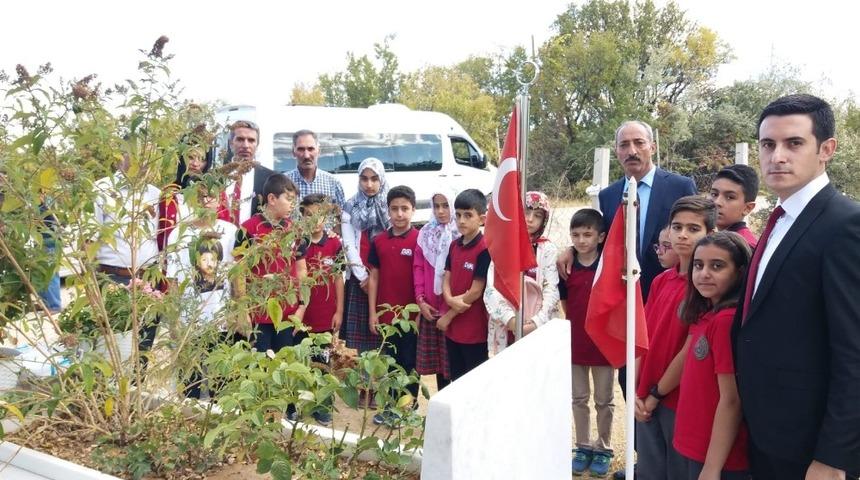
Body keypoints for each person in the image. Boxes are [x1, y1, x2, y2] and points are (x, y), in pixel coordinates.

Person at [733, 94, 860, 480]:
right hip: (767, 431)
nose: (777, 156)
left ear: (827, 149)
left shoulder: (845, 225)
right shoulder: (780, 219)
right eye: (768, 145)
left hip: (809, 447)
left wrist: (834, 457)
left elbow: (854, 351)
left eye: (794, 143)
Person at [635, 195, 716, 480]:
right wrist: (636, 389)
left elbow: (690, 349)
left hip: (675, 398)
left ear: (710, 234)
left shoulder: (705, 288)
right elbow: (642, 337)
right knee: (650, 468)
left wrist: (656, 394)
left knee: (678, 470)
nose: (682, 235)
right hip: (645, 394)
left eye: (693, 229)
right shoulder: (660, 280)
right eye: (677, 226)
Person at [674, 232, 752, 480]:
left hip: (718, 457)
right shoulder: (708, 314)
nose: (704, 273)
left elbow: (731, 399)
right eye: (698, 265)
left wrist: (712, 467)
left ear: (739, 272)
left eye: (717, 266)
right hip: (695, 444)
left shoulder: (726, 321)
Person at [165, 187, 238, 399]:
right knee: (190, 387)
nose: (206, 200)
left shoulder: (231, 231)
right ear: (191, 201)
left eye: (211, 195)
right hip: (190, 323)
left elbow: (236, 276)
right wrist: (173, 321)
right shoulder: (178, 234)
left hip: (221, 321)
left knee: (221, 387)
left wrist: (237, 312)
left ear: (220, 201)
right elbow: (173, 281)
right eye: (200, 196)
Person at [559, 209, 615, 478]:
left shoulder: (608, 264)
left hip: (603, 344)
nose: (581, 240)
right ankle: (582, 446)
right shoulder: (566, 267)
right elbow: (566, 303)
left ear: (600, 236)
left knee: (604, 399)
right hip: (576, 342)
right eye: (576, 235)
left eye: (588, 235)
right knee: (579, 398)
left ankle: (603, 447)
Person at [234, 174, 307, 353]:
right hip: (257, 312)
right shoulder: (248, 229)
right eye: (288, 199)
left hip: (287, 314)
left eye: (294, 200)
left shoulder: (295, 231)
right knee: (258, 366)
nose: (293, 205)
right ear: (272, 199)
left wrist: (302, 307)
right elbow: (238, 271)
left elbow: (301, 269)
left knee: (284, 366)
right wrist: (243, 310)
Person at [367, 185, 420, 426]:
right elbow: (374, 278)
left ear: (413, 210)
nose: (399, 214)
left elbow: (425, 280)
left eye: (405, 209)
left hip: (412, 316)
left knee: (410, 362)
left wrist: (419, 312)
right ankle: (390, 407)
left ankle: (409, 408)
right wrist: (373, 313)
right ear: (387, 211)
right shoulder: (378, 241)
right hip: (386, 316)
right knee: (390, 362)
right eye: (395, 209)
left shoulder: (420, 239)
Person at [484, 191, 560, 354]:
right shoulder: (503, 246)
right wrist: (511, 321)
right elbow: (491, 289)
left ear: (544, 219)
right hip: (506, 326)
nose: (530, 219)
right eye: (526, 212)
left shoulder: (547, 249)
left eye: (538, 215)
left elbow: (551, 289)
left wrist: (535, 322)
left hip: (538, 328)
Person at [293, 193, 344, 426]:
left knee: (322, 363)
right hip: (299, 316)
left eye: (320, 215)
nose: (315, 220)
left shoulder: (334, 243)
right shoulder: (296, 242)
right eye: (309, 215)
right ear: (301, 217)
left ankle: (321, 406)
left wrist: (339, 311)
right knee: (297, 362)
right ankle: (291, 405)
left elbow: (338, 279)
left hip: (325, 317)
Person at [436, 189, 491, 381]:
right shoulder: (454, 245)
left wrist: (448, 316)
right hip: (453, 331)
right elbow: (446, 276)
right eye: (458, 215)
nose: (461, 220)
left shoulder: (484, 249)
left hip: (474, 331)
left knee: (474, 382)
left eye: (468, 215)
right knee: (457, 379)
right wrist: (449, 298)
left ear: (482, 218)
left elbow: (476, 291)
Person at [340, 158, 389, 354]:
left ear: (382, 179)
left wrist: (378, 279)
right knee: (362, 345)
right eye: (364, 179)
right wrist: (365, 278)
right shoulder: (350, 205)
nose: (369, 185)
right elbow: (349, 244)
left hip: (385, 278)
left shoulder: (390, 205)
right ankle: (365, 384)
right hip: (360, 280)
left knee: (386, 335)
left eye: (375, 179)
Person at [413, 187, 459, 391]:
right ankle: (442, 401)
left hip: (455, 310)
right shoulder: (425, 234)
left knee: (455, 362)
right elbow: (418, 268)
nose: (441, 211)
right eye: (437, 206)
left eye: (446, 205)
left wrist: (452, 308)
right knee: (440, 364)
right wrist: (420, 300)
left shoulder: (462, 234)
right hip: (430, 309)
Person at [223, 120, 275, 225]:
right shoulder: (216, 176)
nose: (246, 145)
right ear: (231, 143)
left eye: (251, 140)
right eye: (240, 139)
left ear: (257, 144)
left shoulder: (271, 178)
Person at [285, 129, 346, 210]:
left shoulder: (333, 183)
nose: (306, 155)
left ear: (319, 151)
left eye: (310, 149)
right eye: (301, 149)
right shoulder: (283, 182)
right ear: (293, 152)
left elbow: (342, 218)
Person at [709, 164, 759, 248]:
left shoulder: (744, 247)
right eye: (714, 194)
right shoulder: (715, 239)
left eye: (730, 197)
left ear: (748, 208)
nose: (717, 202)